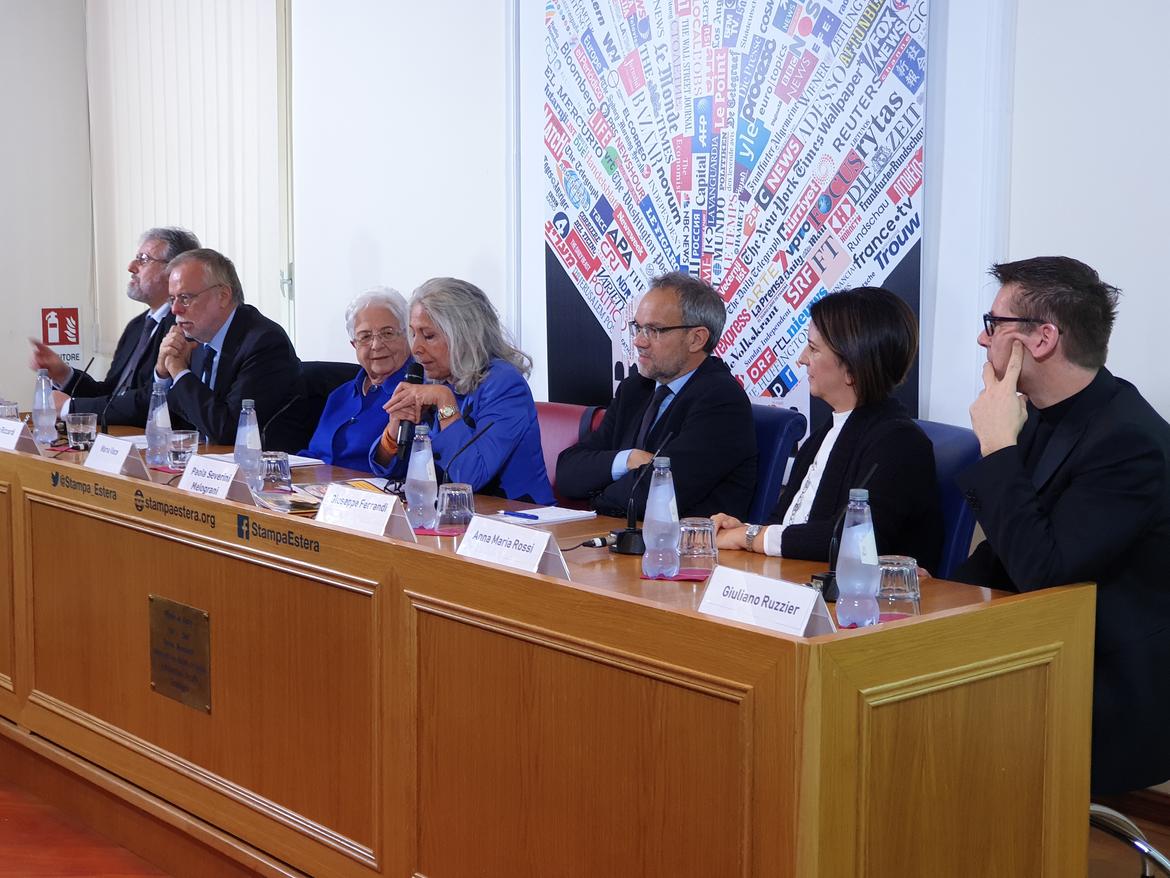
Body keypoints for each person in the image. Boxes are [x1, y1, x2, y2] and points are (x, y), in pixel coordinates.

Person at [954, 256, 1170, 795]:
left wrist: (997, 446)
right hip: (1042, 647)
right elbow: (1004, 551)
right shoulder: (1042, 414)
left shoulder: (1128, 442)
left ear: (1042, 338)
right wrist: (932, 593)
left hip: (1107, 682)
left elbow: (1043, 573)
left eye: (993, 324)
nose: (983, 339)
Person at [711, 287, 942, 571]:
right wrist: (744, 529)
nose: (802, 358)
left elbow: (848, 540)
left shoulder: (899, 443)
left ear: (852, 368)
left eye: (814, 349)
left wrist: (752, 537)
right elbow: (786, 524)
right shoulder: (826, 432)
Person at [556, 272, 756, 519]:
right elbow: (567, 474)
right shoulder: (634, 390)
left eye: (654, 330)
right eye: (638, 328)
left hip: (682, 541)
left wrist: (597, 494)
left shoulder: (721, 401)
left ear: (696, 339)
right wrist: (627, 460)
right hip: (621, 534)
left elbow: (653, 495)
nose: (639, 342)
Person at [371, 277, 554, 503]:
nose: (416, 348)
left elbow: (469, 477)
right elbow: (390, 471)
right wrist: (393, 432)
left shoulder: (505, 385)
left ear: (465, 335)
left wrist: (445, 403)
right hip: (448, 513)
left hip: (516, 517)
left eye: (428, 336)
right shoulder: (433, 379)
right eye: (413, 334)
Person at [28, 227, 200, 426]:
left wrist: (71, 408)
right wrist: (64, 374)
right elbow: (111, 395)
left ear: (174, 271)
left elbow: (154, 400)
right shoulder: (137, 326)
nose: (131, 267)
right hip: (117, 436)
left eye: (143, 259)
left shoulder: (183, 326)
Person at [154, 248, 301, 448]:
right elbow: (178, 418)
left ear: (223, 296)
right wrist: (163, 374)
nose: (175, 309)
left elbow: (230, 432)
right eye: (172, 299)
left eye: (185, 298)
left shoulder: (265, 343)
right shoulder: (197, 338)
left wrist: (179, 371)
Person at [299, 287, 413, 470]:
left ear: (408, 336)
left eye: (388, 333)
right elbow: (314, 455)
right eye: (365, 336)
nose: (376, 345)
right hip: (315, 485)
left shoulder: (416, 394)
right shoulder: (339, 396)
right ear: (354, 345)